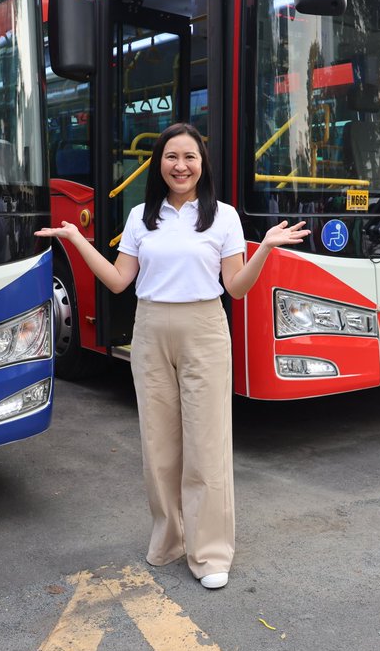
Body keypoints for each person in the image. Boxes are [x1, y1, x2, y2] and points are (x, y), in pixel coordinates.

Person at [36, 123, 308, 590]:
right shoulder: (141, 216)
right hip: (150, 329)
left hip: (204, 329)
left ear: (203, 164)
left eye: (189, 157)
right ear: (158, 164)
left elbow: (236, 288)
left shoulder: (224, 217)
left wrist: (263, 248)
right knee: (158, 445)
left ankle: (210, 551)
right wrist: (76, 240)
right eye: (171, 157)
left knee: (207, 445)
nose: (180, 166)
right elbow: (119, 281)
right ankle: (169, 539)